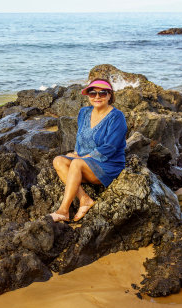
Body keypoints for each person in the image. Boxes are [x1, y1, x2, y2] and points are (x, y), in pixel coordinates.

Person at [50, 78, 127, 222]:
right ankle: (84, 199)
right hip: (86, 162)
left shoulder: (117, 117)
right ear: (88, 96)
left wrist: (82, 158)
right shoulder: (84, 112)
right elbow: (80, 137)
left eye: (102, 93)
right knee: (58, 160)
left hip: (109, 164)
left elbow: (110, 147)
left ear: (110, 95)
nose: (97, 97)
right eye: (93, 93)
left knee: (76, 164)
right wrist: (77, 153)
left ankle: (63, 211)